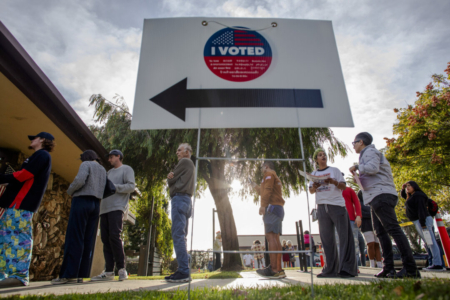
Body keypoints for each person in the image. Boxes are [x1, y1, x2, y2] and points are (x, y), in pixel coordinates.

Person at [350, 132, 420, 278]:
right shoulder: (366, 154)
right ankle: (388, 267)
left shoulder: (369, 152)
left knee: (393, 229)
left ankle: (411, 268)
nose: (354, 146)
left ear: (361, 142)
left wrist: (357, 167)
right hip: (375, 196)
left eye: (354, 143)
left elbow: (373, 168)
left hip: (381, 195)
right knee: (380, 232)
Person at [0, 132, 55, 288]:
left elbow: (24, 175)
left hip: (21, 206)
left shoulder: (42, 155)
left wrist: (3, 177)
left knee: (18, 239)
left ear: (43, 140)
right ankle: (4, 275)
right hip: (13, 206)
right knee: (5, 240)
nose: (32, 140)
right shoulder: (35, 157)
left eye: (35, 138)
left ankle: (19, 276)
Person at [52, 150, 107, 284]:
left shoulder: (86, 164)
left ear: (85, 158)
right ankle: (81, 274)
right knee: (88, 239)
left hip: (82, 200)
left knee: (74, 237)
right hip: (96, 204)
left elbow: (79, 180)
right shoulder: (103, 169)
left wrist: (70, 190)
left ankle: (68, 274)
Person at [309, 148, 357, 278]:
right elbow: (311, 191)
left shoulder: (334, 171)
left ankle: (347, 269)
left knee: (344, 237)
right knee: (327, 239)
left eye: (324, 154)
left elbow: (343, 187)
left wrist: (334, 182)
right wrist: (315, 186)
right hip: (321, 207)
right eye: (320, 155)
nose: (323, 156)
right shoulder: (313, 173)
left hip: (337, 206)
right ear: (316, 160)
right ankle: (330, 269)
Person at [91, 150, 135, 282]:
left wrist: (114, 187)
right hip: (103, 209)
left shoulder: (126, 169)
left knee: (114, 236)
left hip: (117, 207)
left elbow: (131, 186)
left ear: (118, 157)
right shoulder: (109, 173)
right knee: (105, 239)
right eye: (109, 158)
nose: (109, 160)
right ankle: (109, 271)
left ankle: (122, 269)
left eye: (111, 157)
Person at [164, 144, 195, 283]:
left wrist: (170, 178)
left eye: (179, 150)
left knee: (178, 235)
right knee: (182, 236)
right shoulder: (191, 165)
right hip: (187, 201)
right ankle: (183, 269)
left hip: (179, 199)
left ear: (187, 152)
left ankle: (183, 271)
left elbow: (171, 180)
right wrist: (172, 178)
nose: (176, 152)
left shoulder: (184, 161)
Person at [252, 161, 286, 278]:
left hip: (271, 208)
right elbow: (264, 191)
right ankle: (278, 269)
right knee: (275, 237)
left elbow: (267, 190)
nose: (262, 170)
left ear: (266, 167)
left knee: (270, 237)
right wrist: (255, 186)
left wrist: (263, 205)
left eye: (262, 167)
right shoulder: (273, 176)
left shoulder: (269, 174)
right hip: (278, 208)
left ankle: (274, 269)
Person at [401, 181, 444, 271]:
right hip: (419, 221)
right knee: (429, 243)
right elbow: (405, 198)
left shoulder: (418, 195)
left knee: (431, 242)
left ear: (414, 186)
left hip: (423, 220)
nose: (407, 187)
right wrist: (402, 189)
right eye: (407, 186)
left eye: (409, 186)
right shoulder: (412, 196)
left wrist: (423, 224)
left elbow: (421, 209)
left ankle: (438, 264)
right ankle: (435, 263)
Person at [341, 183, 364, 268]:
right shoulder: (333, 191)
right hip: (338, 221)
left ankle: (354, 266)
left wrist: (358, 215)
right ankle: (341, 266)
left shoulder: (349, 190)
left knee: (354, 243)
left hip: (351, 220)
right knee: (339, 243)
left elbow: (356, 202)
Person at [358, 191, 382, 268]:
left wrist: (371, 214)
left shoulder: (372, 202)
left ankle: (379, 263)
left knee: (377, 245)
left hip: (376, 225)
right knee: (370, 244)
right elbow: (361, 214)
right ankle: (372, 263)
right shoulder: (359, 204)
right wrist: (371, 214)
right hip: (366, 226)